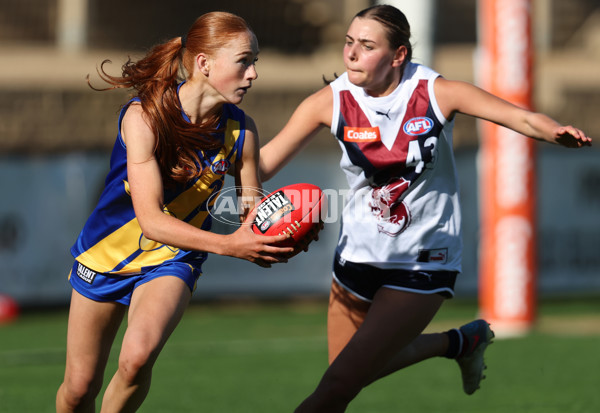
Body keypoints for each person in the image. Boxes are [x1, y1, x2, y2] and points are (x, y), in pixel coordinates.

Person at [259, 4, 592, 412]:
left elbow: (518, 118)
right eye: (349, 42)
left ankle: (457, 342)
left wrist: (554, 132)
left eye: (366, 45)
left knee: (337, 385)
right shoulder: (329, 101)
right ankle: (459, 342)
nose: (351, 54)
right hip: (355, 257)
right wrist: (210, 146)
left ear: (398, 55)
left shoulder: (435, 93)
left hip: (422, 261)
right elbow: (262, 164)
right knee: (345, 373)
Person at [55, 11, 294, 413]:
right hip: (106, 253)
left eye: (255, 61)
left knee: (136, 358)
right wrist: (229, 245)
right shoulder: (144, 116)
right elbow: (149, 219)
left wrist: (288, 228)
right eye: (244, 61)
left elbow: (252, 212)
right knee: (79, 388)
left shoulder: (243, 131)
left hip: (174, 257)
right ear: (204, 64)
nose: (253, 73)